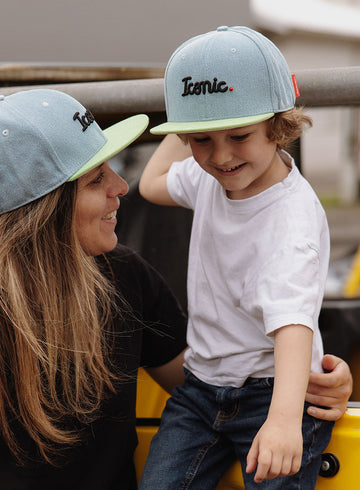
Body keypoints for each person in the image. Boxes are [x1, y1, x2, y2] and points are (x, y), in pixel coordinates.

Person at [0, 88, 351, 490]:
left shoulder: (124, 274)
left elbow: (210, 379)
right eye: (95, 179)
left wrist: (309, 389)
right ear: (43, 210)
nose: (121, 187)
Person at [138, 26, 341, 489]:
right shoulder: (210, 177)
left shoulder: (291, 219)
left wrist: (285, 422)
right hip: (199, 390)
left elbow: (293, 326)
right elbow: (152, 182)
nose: (222, 155)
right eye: (201, 139)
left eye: (238, 134)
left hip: (275, 392)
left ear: (277, 125)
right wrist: (187, 117)